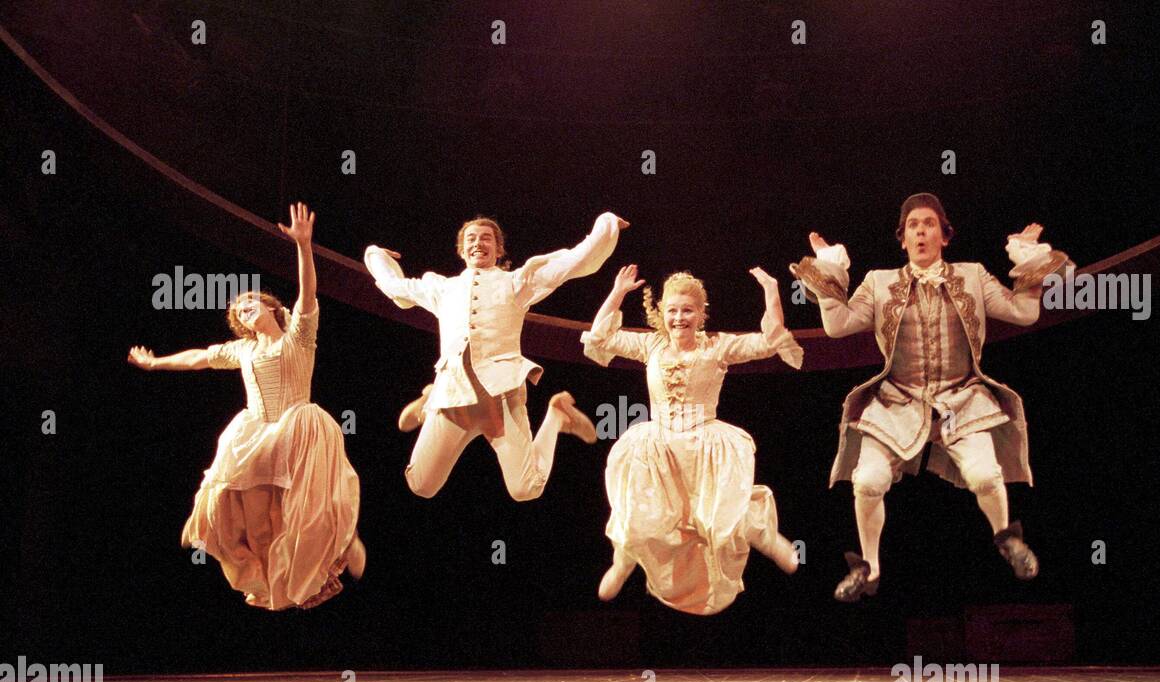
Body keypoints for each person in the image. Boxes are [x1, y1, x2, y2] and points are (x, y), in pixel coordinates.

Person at [791, 192, 1067, 600]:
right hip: (897, 401)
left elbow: (1023, 313)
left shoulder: (972, 276)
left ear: (944, 235)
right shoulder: (879, 282)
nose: (921, 231)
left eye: (929, 224)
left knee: (985, 475)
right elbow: (838, 326)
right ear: (903, 239)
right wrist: (829, 272)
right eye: (913, 226)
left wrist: (1027, 260)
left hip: (960, 399)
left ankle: (1006, 538)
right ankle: (869, 569)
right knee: (867, 481)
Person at [128, 203, 364, 609]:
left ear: (272, 308)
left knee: (306, 507)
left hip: (297, 426)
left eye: (250, 303)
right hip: (256, 433)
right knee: (253, 517)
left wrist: (303, 246)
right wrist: (155, 362)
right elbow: (200, 356)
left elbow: (308, 294)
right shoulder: (243, 349)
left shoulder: (298, 338)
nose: (243, 309)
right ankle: (270, 578)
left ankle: (340, 545)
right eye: (238, 310)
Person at [581, 263, 804, 615]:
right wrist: (618, 292)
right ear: (662, 313)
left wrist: (772, 291)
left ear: (701, 314)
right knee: (640, 513)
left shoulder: (716, 347)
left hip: (705, 446)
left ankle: (768, 539)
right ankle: (623, 562)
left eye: (687, 310)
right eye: (672, 310)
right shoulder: (651, 345)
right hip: (658, 448)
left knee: (721, 520)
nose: (679, 318)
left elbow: (769, 341)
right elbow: (600, 337)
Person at [364, 212, 628, 502]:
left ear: (498, 249)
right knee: (421, 484)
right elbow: (395, 286)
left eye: (486, 238)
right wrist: (376, 255)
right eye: (471, 238)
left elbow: (570, 263)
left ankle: (557, 415)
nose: (478, 243)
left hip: (501, 399)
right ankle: (430, 400)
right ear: (462, 250)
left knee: (526, 489)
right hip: (454, 398)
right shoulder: (442, 288)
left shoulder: (516, 283)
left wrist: (606, 225)